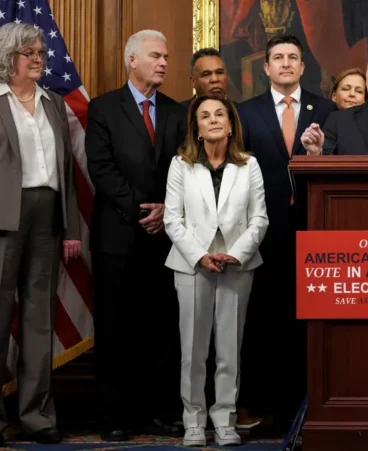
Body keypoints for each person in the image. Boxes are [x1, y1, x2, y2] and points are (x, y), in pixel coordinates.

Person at [85, 29, 187, 441]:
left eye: (166, 56)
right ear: (132, 60)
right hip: (118, 236)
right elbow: (101, 168)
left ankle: (157, 411)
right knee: (114, 326)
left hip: (166, 236)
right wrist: (140, 209)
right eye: (155, 56)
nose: (163, 62)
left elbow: (185, 169)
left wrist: (167, 209)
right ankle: (114, 415)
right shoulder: (103, 108)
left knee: (161, 326)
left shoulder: (179, 113)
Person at [235, 35, 336, 434]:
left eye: (293, 57)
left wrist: (318, 155)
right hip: (264, 231)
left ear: (303, 66)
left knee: (308, 318)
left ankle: (307, 402)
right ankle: (268, 405)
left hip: (314, 228)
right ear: (266, 67)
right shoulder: (246, 112)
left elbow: (337, 162)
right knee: (266, 319)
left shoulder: (326, 110)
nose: (286, 64)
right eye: (278, 58)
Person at [164, 95, 268, 447]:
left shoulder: (248, 165)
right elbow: (172, 220)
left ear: (230, 122)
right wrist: (200, 255)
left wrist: (236, 253)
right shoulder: (181, 164)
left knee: (229, 348)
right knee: (193, 350)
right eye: (204, 116)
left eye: (219, 114)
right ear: (195, 125)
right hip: (193, 265)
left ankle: (225, 419)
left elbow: (259, 218)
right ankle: (193, 421)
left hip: (237, 264)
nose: (212, 120)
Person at [0, 22, 82, 445]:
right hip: (3, 220)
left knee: (38, 319)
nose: (38, 59)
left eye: (42, 53)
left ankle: (36, 416)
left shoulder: (52, 102)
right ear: (8, 56)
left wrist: (69, 226)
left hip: (47, 215)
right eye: (29, 52)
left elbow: (66, 170)